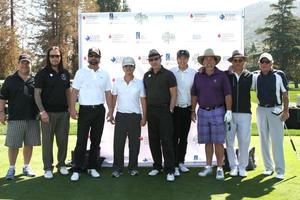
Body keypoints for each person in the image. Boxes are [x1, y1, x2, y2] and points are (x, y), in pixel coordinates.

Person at [69, 47, 113, 182]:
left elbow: (107, 93)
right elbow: (74, 91)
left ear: (100, 58)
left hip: (99, 110)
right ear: (88, 57)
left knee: (96, 140)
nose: (94, 58)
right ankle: (77, 168)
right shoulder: (80, 72)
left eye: (96, 56)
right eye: (91, 55)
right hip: (85, 110)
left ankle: (92, 167)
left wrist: (111, 110)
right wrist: (72, 108)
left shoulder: (104, 74)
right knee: (81, 140)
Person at [191, 48, 232, 181]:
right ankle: (208, 166)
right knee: (207, 142)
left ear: (215, 61)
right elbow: (194, 94)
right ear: (203, 61)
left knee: (218, 142)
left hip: (218, 111)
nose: (208, 61)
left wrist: (229, 110)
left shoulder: (221, 75)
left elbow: (227, 94)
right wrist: (192, 110)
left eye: (211, 58)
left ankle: (219, 168)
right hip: (202, 111)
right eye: (206, 59)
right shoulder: (198, 75)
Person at [0, 54, 40, 180]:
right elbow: (2, 97)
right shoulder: (10, 79)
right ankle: (11, 168)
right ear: (18, 64)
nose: (24, 65)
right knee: (13, 145)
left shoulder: (35, 79)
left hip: (32, 118)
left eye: (27, 63)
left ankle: (26, 166)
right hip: (15, 118)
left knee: (29, 144)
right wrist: (1, 112)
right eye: (22, 62)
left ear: (30, 64)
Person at [34, 46, 71, 179]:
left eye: (57, 56)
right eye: (52, 56)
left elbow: (68, 91)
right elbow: (37, 94)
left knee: (62, 141)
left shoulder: (65, 73)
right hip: (47, 114)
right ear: (48, 58)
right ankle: (48, 168)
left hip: (63, 114)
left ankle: (61, 164)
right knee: (47, 142)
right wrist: (42, 111)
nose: (55, 58)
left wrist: (70, 108)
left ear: (60, 57)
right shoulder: (42, 73)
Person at [253, 52, 289, 180]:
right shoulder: (255, 76)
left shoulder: (279, 75)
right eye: (262, 62)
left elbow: (285, 95)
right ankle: (268, 168)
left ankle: (280, 170)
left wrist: (286, 111)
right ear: (259, 64)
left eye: (267, 62)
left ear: (271, 63)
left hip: (276, 109)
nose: (264, 64)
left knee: (277, 141)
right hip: (261, 109)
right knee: (264, 140)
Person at [143, 49, 177, 182]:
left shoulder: (168, 74)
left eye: (156, 59)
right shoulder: (147, 75)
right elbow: (145, 96)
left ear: (160, 59)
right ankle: (157, 166)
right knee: (153, 140)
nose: (153, 62)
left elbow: (174, 94)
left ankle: (170, 169)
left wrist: (171, 110)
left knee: (167, 141)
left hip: (164, 111)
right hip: (151, 112)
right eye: (151, 60)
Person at [110, 57, 147, 178]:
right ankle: (117, 169)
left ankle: (133, 168)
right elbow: (113, 99)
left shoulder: (139, 83)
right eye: (126, 66)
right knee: (118, 144)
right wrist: (111, 113)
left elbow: (143, 101)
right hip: (120, 116)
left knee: (134, 144)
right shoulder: (117, 82)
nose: (128, 68)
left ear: (134, 68)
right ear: (123, 68)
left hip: (135, 117)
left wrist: (144, 117)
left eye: (131, 66)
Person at [225, 50, 253, 177]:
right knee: (230, 142)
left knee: (244, 141)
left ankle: (242, 167)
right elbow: (209, 71)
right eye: (235, 60)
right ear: (231, 62)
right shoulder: (226, 75)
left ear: (244, 61)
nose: (237, 63)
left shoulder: (250, 76)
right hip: (229, 113)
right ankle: (233, 166)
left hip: (245, 114)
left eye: (240, 60)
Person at [170, 50, 196, 176]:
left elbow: (195, 92)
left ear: (188, 59)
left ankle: (181, 162)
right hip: (175, 110)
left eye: (184, 58)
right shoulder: (171, 72)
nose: (182, 60)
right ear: (177, 59)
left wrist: (193, 111)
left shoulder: (193, 73)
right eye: (180, 58)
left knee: (184, 138)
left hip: (187, 109)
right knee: (175, 138)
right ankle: (174, 165)